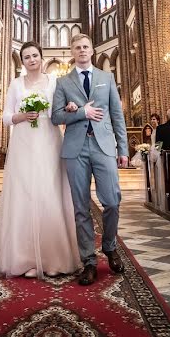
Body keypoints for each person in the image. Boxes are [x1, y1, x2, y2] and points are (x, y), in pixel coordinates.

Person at [0, 41, 81, 279]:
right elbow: (7, 116)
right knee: (25, 194)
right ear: (22, 61)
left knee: (49, 193)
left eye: (35, 55)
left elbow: (58, 110)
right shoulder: (16, 84)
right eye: (27, 56)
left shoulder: (53, 81)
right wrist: (20, 116)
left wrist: (69, 107)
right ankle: (25, 258)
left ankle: (53, 258)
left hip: (49, 140)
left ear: (41, 57)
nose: (31, 59)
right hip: (24, 143)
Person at [51, 33, 128, 286]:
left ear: (92, 50)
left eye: (85, 46)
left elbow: (117, 115)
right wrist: (80, 112)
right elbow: (56, 117)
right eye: (77, 47)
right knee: (81, 207)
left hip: (104, 146)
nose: (82, 50)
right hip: (75, 149)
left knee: (112, 201)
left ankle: (109, 246)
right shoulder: (63, 82)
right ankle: (89, 261)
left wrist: (123, 149)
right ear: (72, 52)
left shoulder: (107, 78)